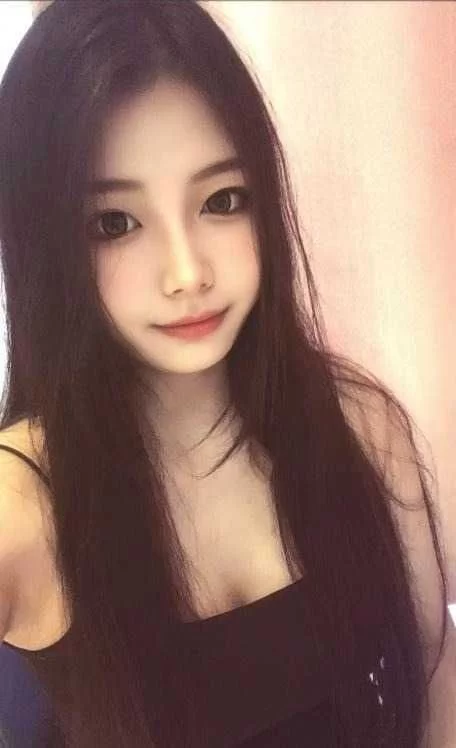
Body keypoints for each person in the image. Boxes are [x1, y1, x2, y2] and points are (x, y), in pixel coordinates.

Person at [0, 1, 451, 746]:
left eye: (221, 201)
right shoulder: (21, 503)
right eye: (114, 223)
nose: (187, 272)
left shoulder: (362, 428)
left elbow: (435, 684)